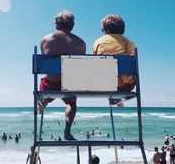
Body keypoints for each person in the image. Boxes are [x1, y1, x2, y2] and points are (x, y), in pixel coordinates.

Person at [39, 11, 86, 141]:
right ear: (72, 25)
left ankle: (42, 102)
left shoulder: (45, 40)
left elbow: (44, 59)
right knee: (72, 105)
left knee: (45, 88)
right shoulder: (81, 43)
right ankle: (67, 131)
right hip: (69, 85)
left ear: (56, 24)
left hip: (50, 84)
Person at [92, 14, 136, 92]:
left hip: (103, 84)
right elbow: (131, 65)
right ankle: (116, 99)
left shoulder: (97, 42)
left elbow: (94, 64)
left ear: (105, 30)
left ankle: (114, 98)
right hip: (126, 86)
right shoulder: (129, 43)